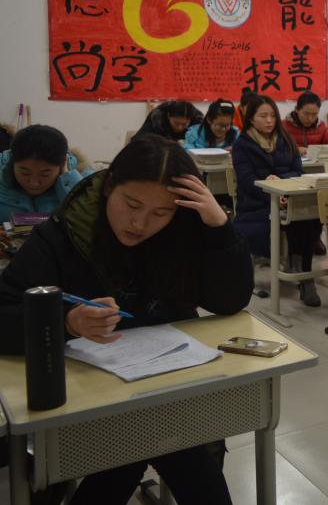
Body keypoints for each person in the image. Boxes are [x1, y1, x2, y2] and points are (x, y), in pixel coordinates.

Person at [0, 134, 252, 505]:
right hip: (84, 400)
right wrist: (68, 321)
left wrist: (219, 228)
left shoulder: (182, 230)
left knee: (147, 440)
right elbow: (4, 315)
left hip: (164, 389)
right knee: (144, 442)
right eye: (131, 204)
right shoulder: (62, 234)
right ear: (108, 187)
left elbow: (228, 301)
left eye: (160, 213)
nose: (139, 222)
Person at [232, 95, 322, 307]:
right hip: (257, 204)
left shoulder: (285, 139)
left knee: (308, 217)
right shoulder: (242, 144)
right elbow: (247, 181)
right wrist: (271, 188)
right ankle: (301, 273)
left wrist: (280, 182)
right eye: (263, 116)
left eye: (273, 115)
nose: (269, 120)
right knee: (291, 218)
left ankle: (304, 273)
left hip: (287, 199)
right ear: (251, 118)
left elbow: (298, 171)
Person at [0, 125, 90, 222]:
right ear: (12, 163)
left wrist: (67, 179)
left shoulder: (87, 178)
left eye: (45, 174)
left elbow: (89, 219)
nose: (34, 183)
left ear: (62, 165)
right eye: (25, 173)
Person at [134, 100, 202, 142]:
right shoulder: (158, 117)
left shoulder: (197, 120)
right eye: (176, 123)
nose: (179, 128)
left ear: (191, 119)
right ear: (168, 116)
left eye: (184, 124)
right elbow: (139, 140)